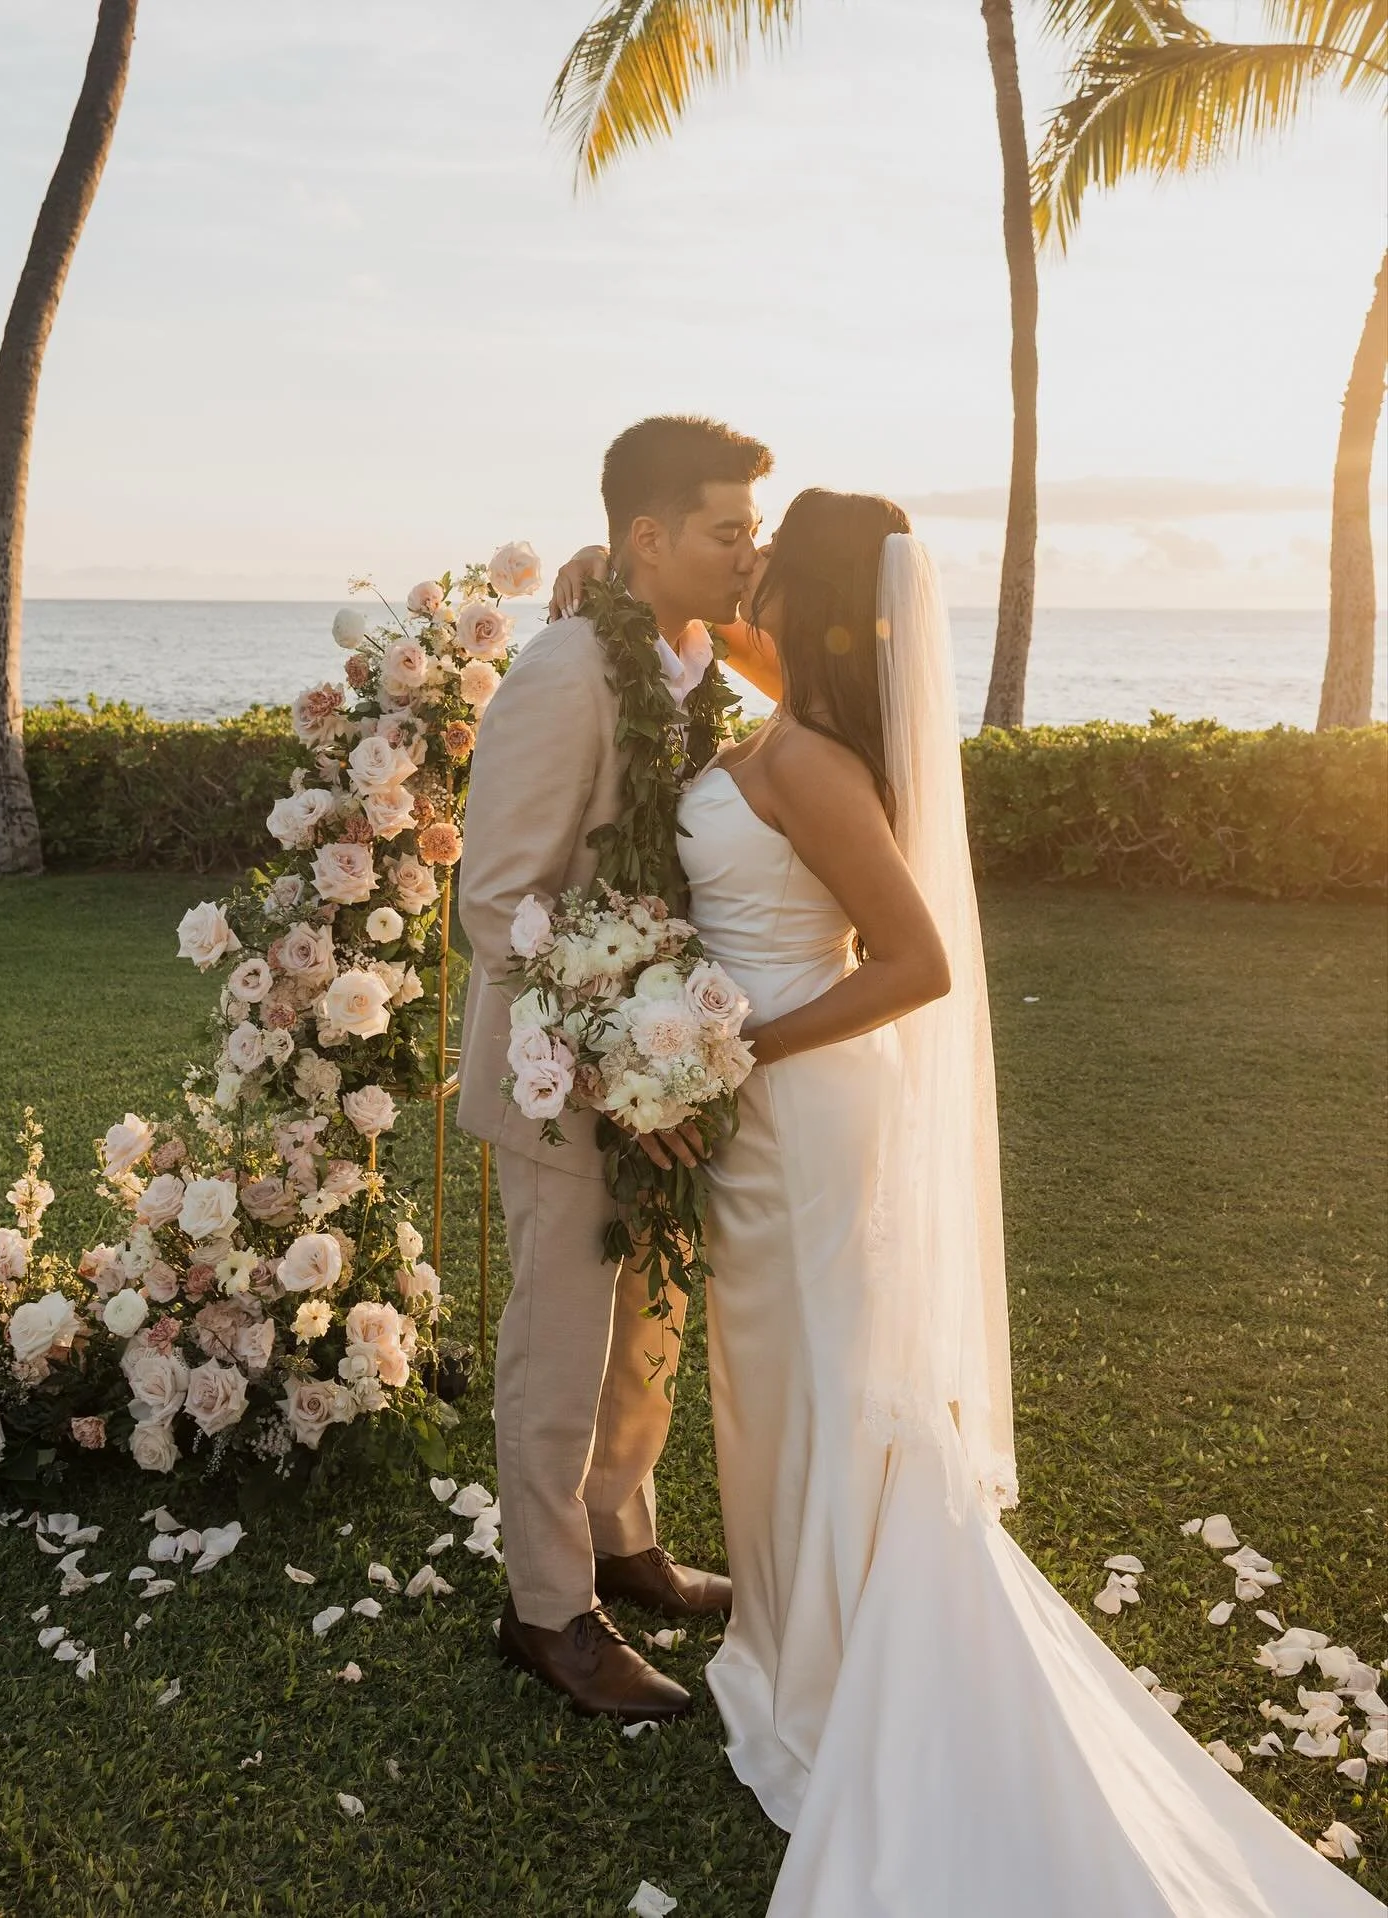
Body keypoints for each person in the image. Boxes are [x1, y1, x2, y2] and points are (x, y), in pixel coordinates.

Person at [553, 491, 1379, 1912]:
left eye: (767, 553)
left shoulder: (812, 763)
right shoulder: (789, 713)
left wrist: (731, 1043)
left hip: (802, 1112)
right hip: (765, 1120)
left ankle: (832, 1666)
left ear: (808, 597)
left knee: (815, 1383)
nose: (744, 565)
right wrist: (613, 592)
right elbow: (717, 644)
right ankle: (798, 1631)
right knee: (779, 1387)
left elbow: (918, 960)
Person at [456, 415, 771, 1722]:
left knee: (652, 1326)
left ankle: (624, 1536)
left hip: (671, 1058)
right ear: (648, 537)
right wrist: (611, 1075)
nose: (750, 552)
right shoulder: (563, 668)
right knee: (562, 1345)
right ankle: (548, 1608)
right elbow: (498, 903)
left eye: (755, 531)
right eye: (728, 530)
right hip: (562, 1077)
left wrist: (676, 1063)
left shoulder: (707, 667)